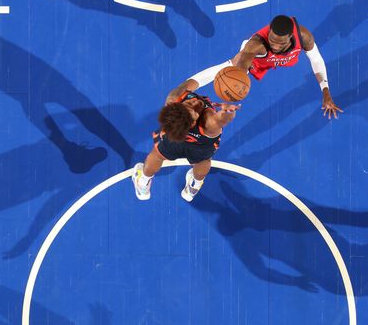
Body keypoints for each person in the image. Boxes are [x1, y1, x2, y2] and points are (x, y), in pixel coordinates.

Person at [167, 15, 343, 119]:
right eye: (271, 39)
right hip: (255, 59)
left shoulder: (304, 36)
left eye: (278, 42)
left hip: (280, 59)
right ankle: (184, 87)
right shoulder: (256, 45)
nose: (274, 45)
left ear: (290, 36)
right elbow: (239, 70)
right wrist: (236, 86)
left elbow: (317, 61)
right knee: (230, 67)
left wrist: (325, 91)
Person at [132, 90, 239, 202]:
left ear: (177, 105)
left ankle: (143, 183)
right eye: (193, 109)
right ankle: (193, 187)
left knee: (158, 155)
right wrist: (228, 110)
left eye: (189, 103)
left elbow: (191, 83)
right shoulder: (209, 122)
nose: (195, 101)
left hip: (174, 138)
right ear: (193, 122)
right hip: (201, 146)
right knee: (203, 161)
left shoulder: (173, 99)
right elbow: (224, 118)